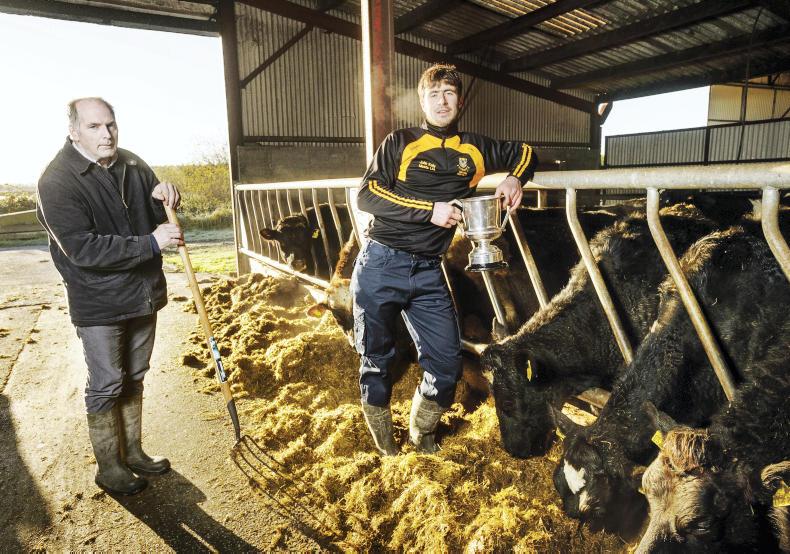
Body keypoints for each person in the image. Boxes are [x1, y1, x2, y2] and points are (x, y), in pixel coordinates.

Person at [353, 63, 538, 455]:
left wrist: (514, 177)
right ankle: (387, 449)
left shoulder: (473, 147)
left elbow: (524, 151)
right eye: (434, 94)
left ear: (460, 101)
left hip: (429, 269)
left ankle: (421, 436)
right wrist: (429, 209)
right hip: (381, 263)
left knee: (446, 363)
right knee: (378, 360)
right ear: (422, 100)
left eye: (449, 94)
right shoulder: (401, 141)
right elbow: (367, 195)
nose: (442, 101)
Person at [37, 97, 184, 495]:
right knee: (106, 382)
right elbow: (83, 249)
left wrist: (168, 198)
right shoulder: (57, 180)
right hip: (99, 302)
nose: (107, 134)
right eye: (94, 127)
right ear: (73, 131)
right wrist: (151, 243)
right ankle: (110, 467)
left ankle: (134, 452)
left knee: (135, 376)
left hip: (142, 295)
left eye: (111, 124)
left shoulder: (133, 164)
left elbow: (157, 218)